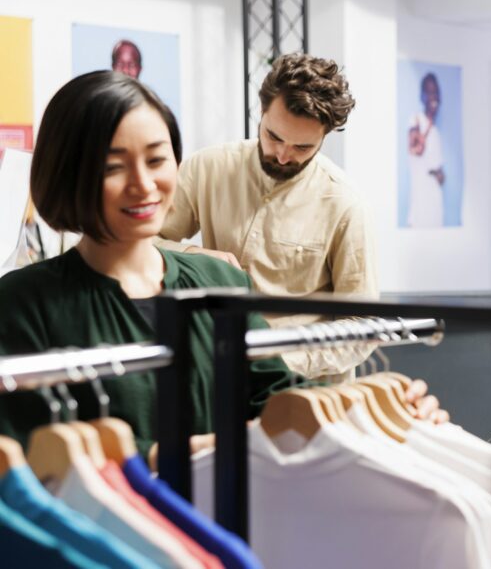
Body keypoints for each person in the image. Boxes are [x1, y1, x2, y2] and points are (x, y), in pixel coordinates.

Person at [0, 71, 295, 459]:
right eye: (113, 167)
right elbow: (26, 449)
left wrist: (369, 402)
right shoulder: (22, 302)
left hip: (230, 516)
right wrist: (169, 455)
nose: (144, 184)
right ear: (70, 173)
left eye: (157, 159)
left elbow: (278, 395)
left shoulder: (221, 283)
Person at [159, 53, 379, 380]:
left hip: (306, 390)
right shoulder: (206, 168)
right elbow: (139, 244)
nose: (282, 154)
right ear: (261, 111)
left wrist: (278, 359)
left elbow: (362, 325)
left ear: (325, 136)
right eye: (273, 136)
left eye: (302, 147)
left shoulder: (345, 204)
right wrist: (194, 257)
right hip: (215, 373)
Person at [406, 72, 445, 228]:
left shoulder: (436, 131)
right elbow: (417, 149)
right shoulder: (415, 120)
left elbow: (442, 176)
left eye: (435, 92)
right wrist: (430, 119)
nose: (433, 97)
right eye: (429, 92)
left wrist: (437, 174)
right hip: (420, 195)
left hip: (435, 197)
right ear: (422, 95)